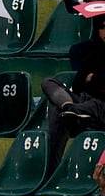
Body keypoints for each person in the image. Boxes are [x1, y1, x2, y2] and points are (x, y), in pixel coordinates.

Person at [42, 16, 105, 170]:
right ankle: (69, 107)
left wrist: (94, 78)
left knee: (59, 113)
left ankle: (72, 113)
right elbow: (78, 84)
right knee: (48, 82)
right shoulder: (94, 52)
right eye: (103, 27)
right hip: (83, 100)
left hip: (101, 106)